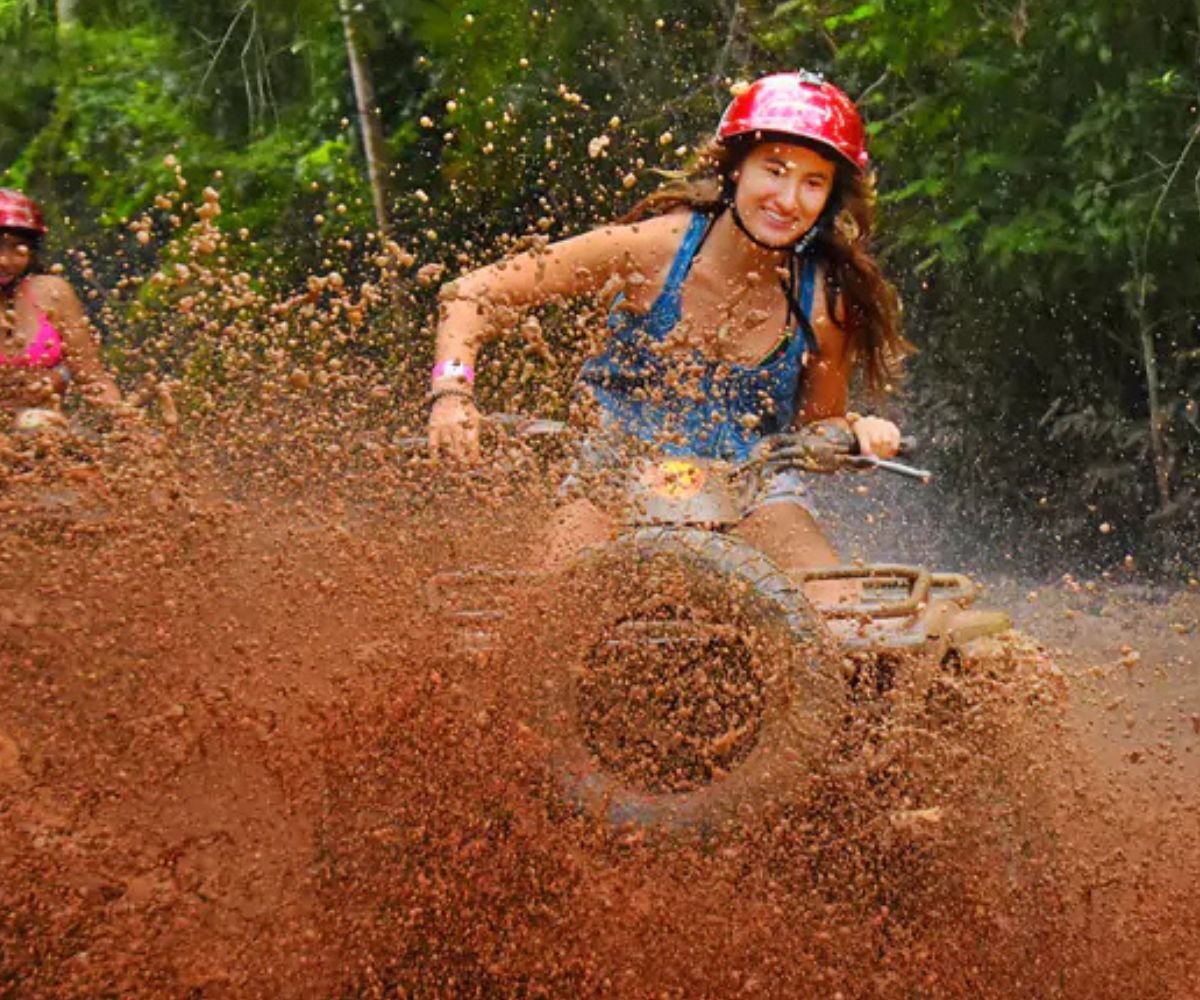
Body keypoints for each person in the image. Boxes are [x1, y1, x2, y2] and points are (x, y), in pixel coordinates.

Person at [426, 71, 911, 584]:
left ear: (830, 198)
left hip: (754, 488)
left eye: (813, 183)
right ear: (736, 169)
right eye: (774, 170)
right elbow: (471, 292)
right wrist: (452, 392)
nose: (788, 199)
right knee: (541, 617)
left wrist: (857, 433)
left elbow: (819, 425)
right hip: (611, 475)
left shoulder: (824, 301)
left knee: (843, 622)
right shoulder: (653, 249)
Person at [0, 188, 126, 428]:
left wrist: (129, 428)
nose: (4, 261)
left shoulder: (51, 293)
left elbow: (93, 380)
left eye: (16, 247)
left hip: (46, 437)